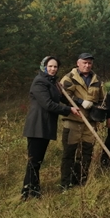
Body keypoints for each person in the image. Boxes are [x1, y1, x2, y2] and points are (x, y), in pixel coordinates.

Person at [21, 56, 80, 200]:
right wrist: (68, 110)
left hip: (46, 126)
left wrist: (80, 103)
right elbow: (48, 104)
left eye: (55, 67)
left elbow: (63, 98)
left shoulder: (53, 83)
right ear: (44, 66)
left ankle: (31, 190)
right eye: (50, 66)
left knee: (38, 160)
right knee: (34, 161)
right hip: (37, 126)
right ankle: (29, 192)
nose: (53, 69)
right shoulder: (39, 82)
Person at [59, 53, 105, 190]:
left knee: (86, 152)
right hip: (73, 121)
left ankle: (81, 180)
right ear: (78, 63)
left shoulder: (96, 80)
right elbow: (62, 96)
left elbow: (101, 99)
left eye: (89, 63)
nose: (87, 65)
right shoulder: (69, 78)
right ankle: (65, 183)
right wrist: (80, 102)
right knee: (69, 152)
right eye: (84, 62)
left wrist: (99, 111)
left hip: (89, 123)